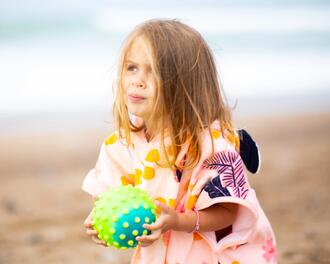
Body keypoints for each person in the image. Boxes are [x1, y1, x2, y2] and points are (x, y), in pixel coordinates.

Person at [83, 19, 277, 264]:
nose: (138, 80)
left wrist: (178, 221)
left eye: (153, 70)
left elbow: (228, 212)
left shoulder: (210, 145)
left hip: (207, 251)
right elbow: (108, 193)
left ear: (185, 82)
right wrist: (102, 218)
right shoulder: (122, 144)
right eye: (131, 67)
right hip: (160, 251)